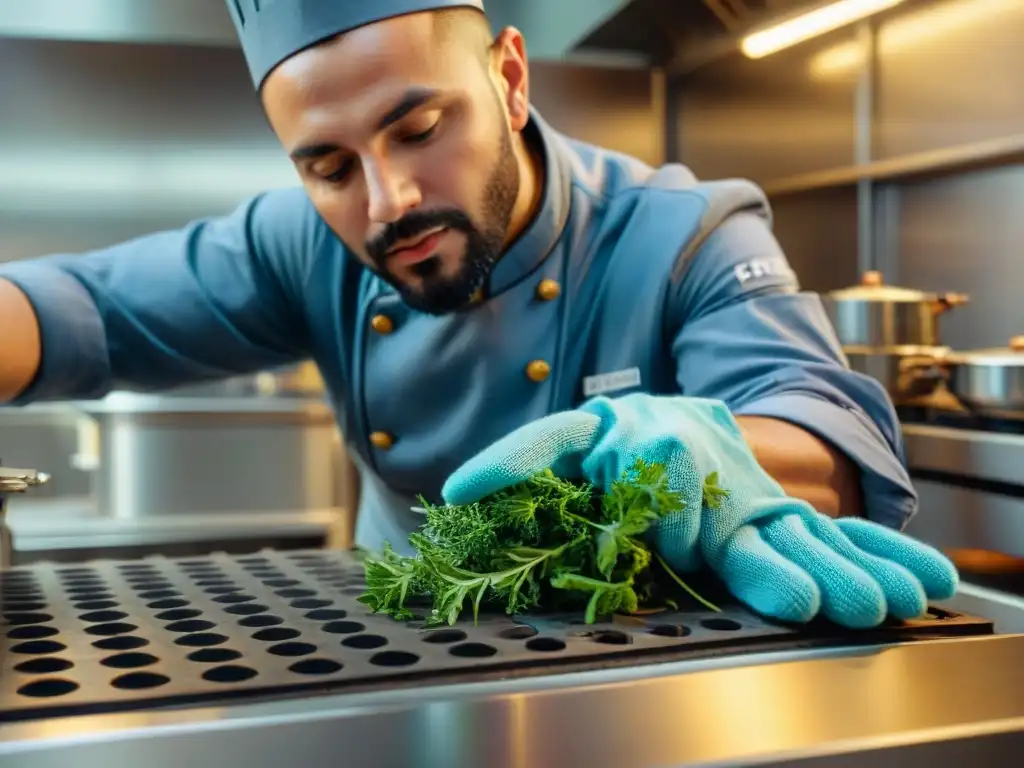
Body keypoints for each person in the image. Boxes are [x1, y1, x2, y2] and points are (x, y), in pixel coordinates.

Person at [0, 0, 956, 627]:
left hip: (648, 673)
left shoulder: (683, 232)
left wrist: (709, 449)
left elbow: (821, 426)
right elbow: (77, 307)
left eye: (418, 130)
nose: (387, 203)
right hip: (394, 660)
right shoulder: (300, 244)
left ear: (508, 78)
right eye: (328, 167)